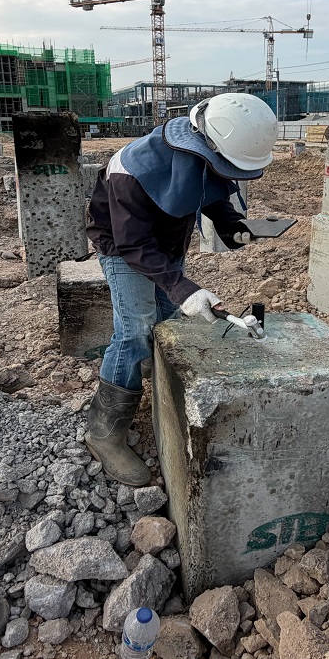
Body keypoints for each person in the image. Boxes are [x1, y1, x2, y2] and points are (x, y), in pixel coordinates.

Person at [83, 92, 278, 485]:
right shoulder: (132, 169)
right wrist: (184, 288)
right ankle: (104, 433)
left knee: (168, 317)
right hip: (123, 246)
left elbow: (210, 191)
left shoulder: (204, 150)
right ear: (208, 146)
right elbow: (134, 244)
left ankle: (151, 374)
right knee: (135, 329)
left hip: (168, 243)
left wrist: (234, 227)